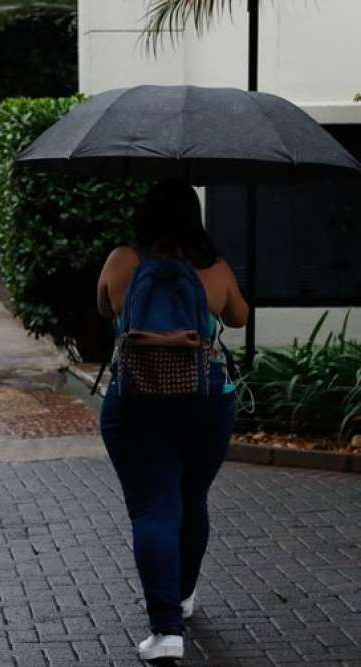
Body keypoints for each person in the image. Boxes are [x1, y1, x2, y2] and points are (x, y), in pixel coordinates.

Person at [96, 180, 249, 662]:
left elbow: (105, 308)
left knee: (153, 509)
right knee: (191, 497)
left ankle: (166, 632)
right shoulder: (214, 269)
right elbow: (240, 317)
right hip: (205, 402)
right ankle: (182, 596)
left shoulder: (124, 260)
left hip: (137, 400)